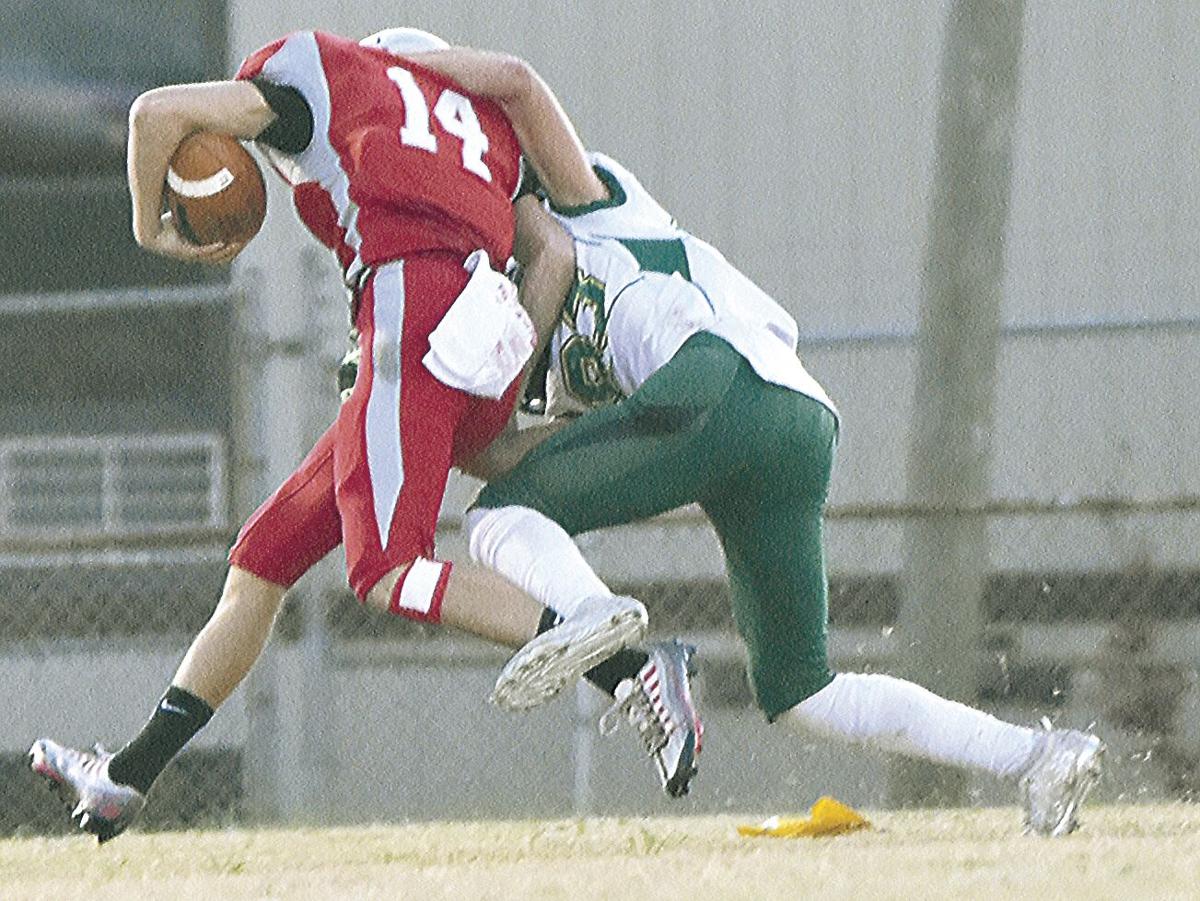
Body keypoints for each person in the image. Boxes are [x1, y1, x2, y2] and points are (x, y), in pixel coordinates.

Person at [398, 48, 1106, 835]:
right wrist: (433, 411)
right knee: (805, 691)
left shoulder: (574, 195)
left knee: (497, 520)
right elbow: (515, 455)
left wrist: (402, 71)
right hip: (786, 420)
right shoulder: (503, 303)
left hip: (719, 378)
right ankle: (1038, 757)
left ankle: (621, 646)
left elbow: (521, 91)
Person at [27, 27, 647, 843]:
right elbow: (555, 251)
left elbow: (154, 112)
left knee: (388, 565)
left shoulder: (317, 86)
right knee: (263, 558)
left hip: (409, 308)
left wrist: (153, 227)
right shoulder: (476, 131)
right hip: (479, 325)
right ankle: (126, 777)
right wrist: (497, 365)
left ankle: (623, 665)